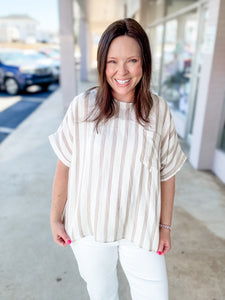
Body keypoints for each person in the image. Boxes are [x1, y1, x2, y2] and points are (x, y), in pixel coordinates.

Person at [49, 18, 187, 300]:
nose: (121, 72)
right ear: (102, 64)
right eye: (112, 61)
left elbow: (167, 174)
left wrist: (165, 227)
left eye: (132, 60)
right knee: (102, 294)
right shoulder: (82, 107)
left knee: (155, 295)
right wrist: (55, 218)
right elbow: (65, 165)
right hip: (89, 226)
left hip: (141, 227)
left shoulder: (158, 110)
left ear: (144, 63)